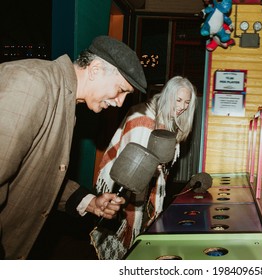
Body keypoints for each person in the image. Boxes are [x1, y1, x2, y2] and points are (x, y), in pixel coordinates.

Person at [0, 35, 147, 259]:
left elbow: (39, 173)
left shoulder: (65, 99)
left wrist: (90, 203)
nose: (120, 102)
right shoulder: (31, 83)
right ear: (95, 69)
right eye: (120, 90)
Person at [93, 76, 197, 259]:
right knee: (124, 235)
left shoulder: (168, 120)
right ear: (168, 96)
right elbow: (131, 165)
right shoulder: (143, 117)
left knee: (141, 235)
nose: (182, 107)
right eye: (178, 100)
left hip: (149, 185)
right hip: (125, 183)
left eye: (187, 102)